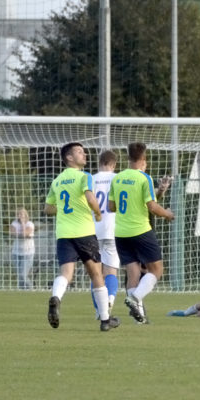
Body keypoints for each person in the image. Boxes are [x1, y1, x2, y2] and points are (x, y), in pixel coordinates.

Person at [44, 141, 120, 332]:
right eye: (79, 152)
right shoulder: (84, 176)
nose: (84, 154)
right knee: (96, 275)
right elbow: (90, 197)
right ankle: (105, 320)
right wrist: (97, 212)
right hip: (84, 233)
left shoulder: (57, 181)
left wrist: (63, 209)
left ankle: (56, 298)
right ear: (69, 158)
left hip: (63, 234)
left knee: (66, 274)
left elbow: (48, 209)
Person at [109, 142, 174, 324]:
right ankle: (135, 297)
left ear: (128, 158)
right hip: (141, 231)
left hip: (121, 232)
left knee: (133, 273)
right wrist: (167, 214)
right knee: (157, 270)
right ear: (144, 159)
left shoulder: (118, 178)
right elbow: (152, 207)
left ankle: (140, 318)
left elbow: (111, 206)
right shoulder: (144, 178)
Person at [92, 150, 119, 317]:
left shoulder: (90, 179)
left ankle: (98, 311)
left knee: (95, 273)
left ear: (99, 162)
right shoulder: (117, 179)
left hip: (92, 231)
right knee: (111, 271)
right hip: (112, 229)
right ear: (114, 164)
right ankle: (110, 298)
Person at [10, 207, 35, 289]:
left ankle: (31, 289)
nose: (19, 216)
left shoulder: (30, 224)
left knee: (23, 275)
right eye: (18, 214)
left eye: (21, 214)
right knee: (20, 276)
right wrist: (21, 235)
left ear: (26, 215)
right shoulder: (14, 223)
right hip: (16, 252)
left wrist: (23, 224)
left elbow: (24, 234)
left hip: (28, 253)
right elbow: (12, 233)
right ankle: (22, 292)